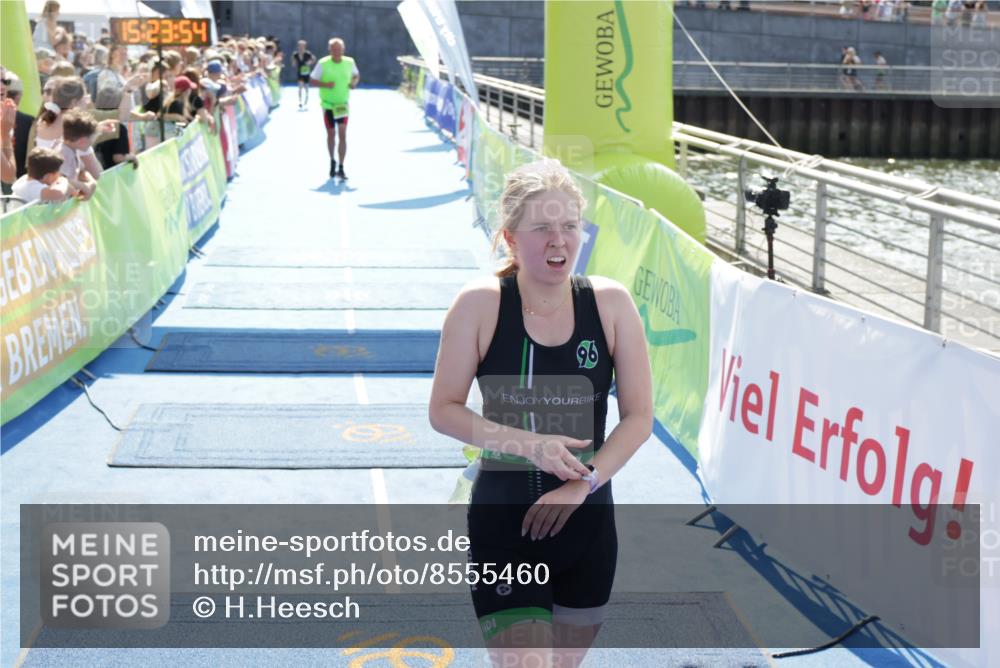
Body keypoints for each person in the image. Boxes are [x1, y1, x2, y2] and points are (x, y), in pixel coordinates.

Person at [428, 159, 653, 668]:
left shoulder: (611, 304)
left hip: (589, 527)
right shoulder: (480, 305)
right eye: (543, 228)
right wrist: (531, 445)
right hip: (505, 527)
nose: (559, 240)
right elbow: (443, 410)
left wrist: (584, 483)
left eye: (570, 226)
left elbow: (639, 418)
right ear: (510, 237)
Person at [309, 37, 360, 179]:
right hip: (328, 105)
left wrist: (353, 83)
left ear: (343, 50)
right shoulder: (323, 63)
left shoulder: (350, 62)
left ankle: (341, 167)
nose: (337, 52)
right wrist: (325, 85)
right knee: (331, 134)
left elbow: (356, 75)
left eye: (339, 49)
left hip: (342, 105)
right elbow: (312, 80)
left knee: (343, 134)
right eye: (334, 49)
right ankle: (332, 160)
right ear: (329, 50)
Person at [292, 40, 316, 110]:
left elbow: (313, 59)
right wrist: (294, 62)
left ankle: (306, 102)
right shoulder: (295, 54)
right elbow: (293, 63)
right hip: (300, 73)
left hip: (306, 73)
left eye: (302, 46)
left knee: (306, 88)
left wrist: (310, 62)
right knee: (300, 87)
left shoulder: (307, 54)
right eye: (299, 46)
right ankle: (300, 102)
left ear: (304, 46)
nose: (301, 47)